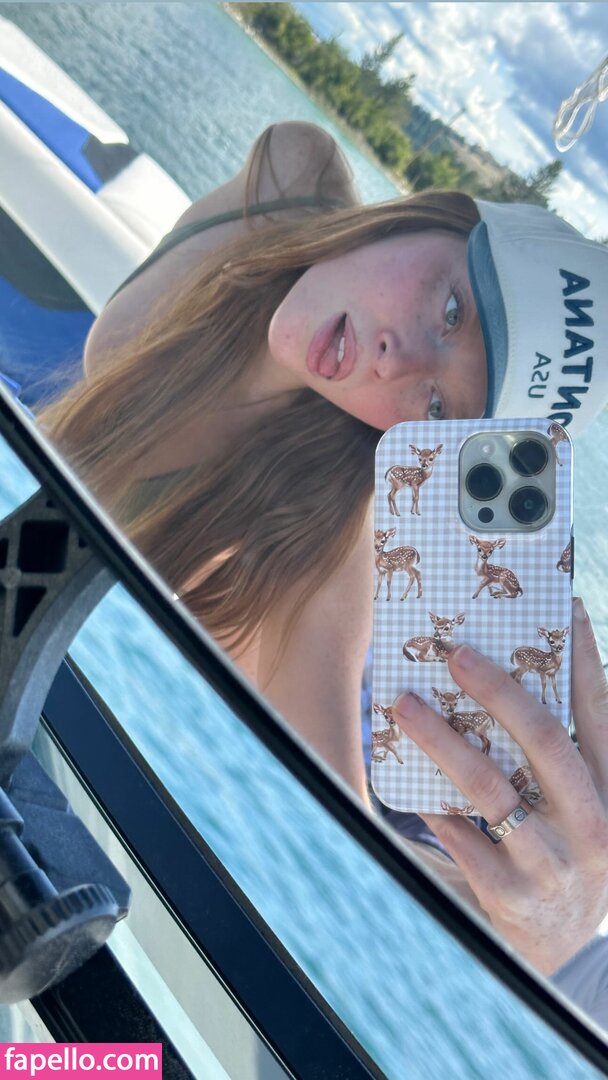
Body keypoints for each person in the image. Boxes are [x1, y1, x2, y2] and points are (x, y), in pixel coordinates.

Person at [41, 121, 608, 979]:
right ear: (442, 217)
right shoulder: (287, 171)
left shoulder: (321, 544)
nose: (394, 363)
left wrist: (542, 929)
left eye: (438, 408)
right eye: (453, 310)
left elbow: (339, 857)